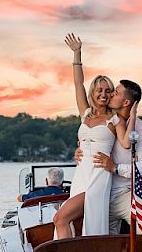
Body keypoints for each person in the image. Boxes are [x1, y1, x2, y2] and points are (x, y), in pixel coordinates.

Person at [52, 34, 137, 239]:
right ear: (94, 92)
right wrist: (76, 53)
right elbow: (78, 84)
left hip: (99, 175)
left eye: (108, 91)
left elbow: (126, 143)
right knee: (69, 220)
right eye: (99, 90)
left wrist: (133, 114)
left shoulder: (115, 119)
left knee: (60, 218)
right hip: (81, 173)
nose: (104, 94)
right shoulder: (86, 113)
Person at [80, 80, 142, 234]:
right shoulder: (104, 118)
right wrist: (80, 150)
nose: (110, 94)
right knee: (97, 243)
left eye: (116, 92)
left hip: (123, 195)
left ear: (126, 102)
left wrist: (116, 168)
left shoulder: (140, 130)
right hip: (99, 193)